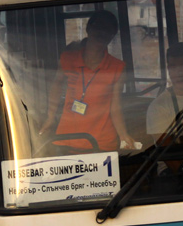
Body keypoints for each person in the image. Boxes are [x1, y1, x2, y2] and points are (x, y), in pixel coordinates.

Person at [39, 10, 135, 152]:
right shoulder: (68, 59)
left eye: (107, 30)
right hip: (67, 138)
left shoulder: (117, 67)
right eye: (98, 27)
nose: (102, 33)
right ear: (89, 28)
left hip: (102, 142)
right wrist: (50, 117)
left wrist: (123, 135)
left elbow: (115, 106)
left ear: (112, 35)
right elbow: (56, 85)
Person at [146, 43, 183, 136]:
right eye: (173, 67)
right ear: (168, 69)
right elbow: (165, 147)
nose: (179, 72)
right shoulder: (158, 107)